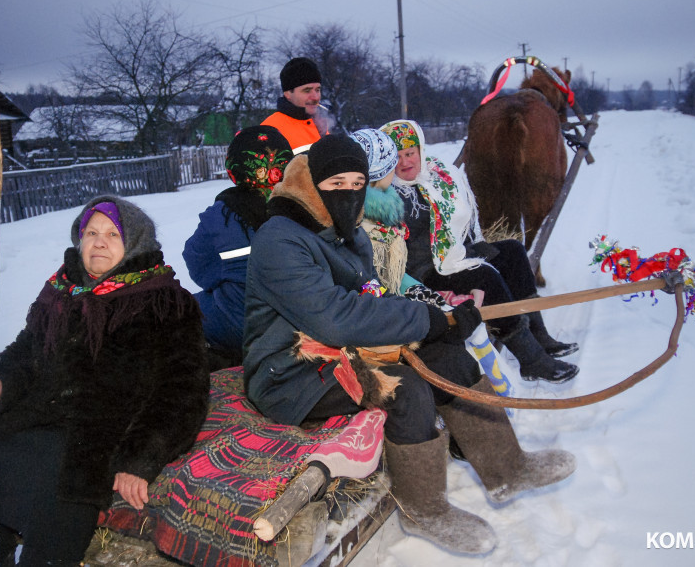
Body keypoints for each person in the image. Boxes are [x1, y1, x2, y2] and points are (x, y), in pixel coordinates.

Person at [242, 134, 575, 555]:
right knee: (406, 389)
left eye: (356, 182)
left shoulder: (345, 233)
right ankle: (425, 510)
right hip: (291, 370)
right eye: (335, 184)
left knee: (450, 359)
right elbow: (334, 316)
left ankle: (509, 468)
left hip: (345, 349)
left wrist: (443, 316)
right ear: (313, 184)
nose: (348, 193)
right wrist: (426, 320)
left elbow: (373, 297)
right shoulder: (281, 239)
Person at [0, 196, 210, 566]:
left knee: (65, 480)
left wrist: (140, 459)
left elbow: (182, 391)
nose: (99, 242)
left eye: (112, 234)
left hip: (104, 428)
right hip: (43, 414)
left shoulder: (165, 301)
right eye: (91, 232)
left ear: (135, 243)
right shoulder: (62, 291)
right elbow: (25, 352)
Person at [381, 119, 580, 383]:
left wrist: (472, 243)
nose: (405, 162)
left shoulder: (438, 174)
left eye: (410, 153)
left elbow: (463, 215)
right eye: (397, 157)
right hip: (425, 272)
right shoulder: (386, 195)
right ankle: (531, 360)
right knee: (484, 275)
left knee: (512, 252)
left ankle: (539, 334)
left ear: (420, 150)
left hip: (455, 254)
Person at [352, 128, 514, 402]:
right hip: (378, 310)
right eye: (393, 161)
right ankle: (495, 399)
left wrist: (440, 296)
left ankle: (500, 396)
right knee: (458, 330)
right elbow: (377, 278)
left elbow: (397, 274)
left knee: (468, 320)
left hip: (401, 291)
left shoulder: (384, 202)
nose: (401, 166)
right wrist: (427, 299)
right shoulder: (367, 215)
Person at [182, 126, 293, 367]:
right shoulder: (300, 207)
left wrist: (224, 278)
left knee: (183, 310)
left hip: (241, 323)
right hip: (296, 318)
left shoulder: (220, 216)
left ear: (233, 172)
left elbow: (196, 263)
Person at [261, 57, 324, 153]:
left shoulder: (321, 123)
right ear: (288, 94)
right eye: (307, 91)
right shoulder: (270, 131)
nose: (315, 97)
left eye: (317, 90)